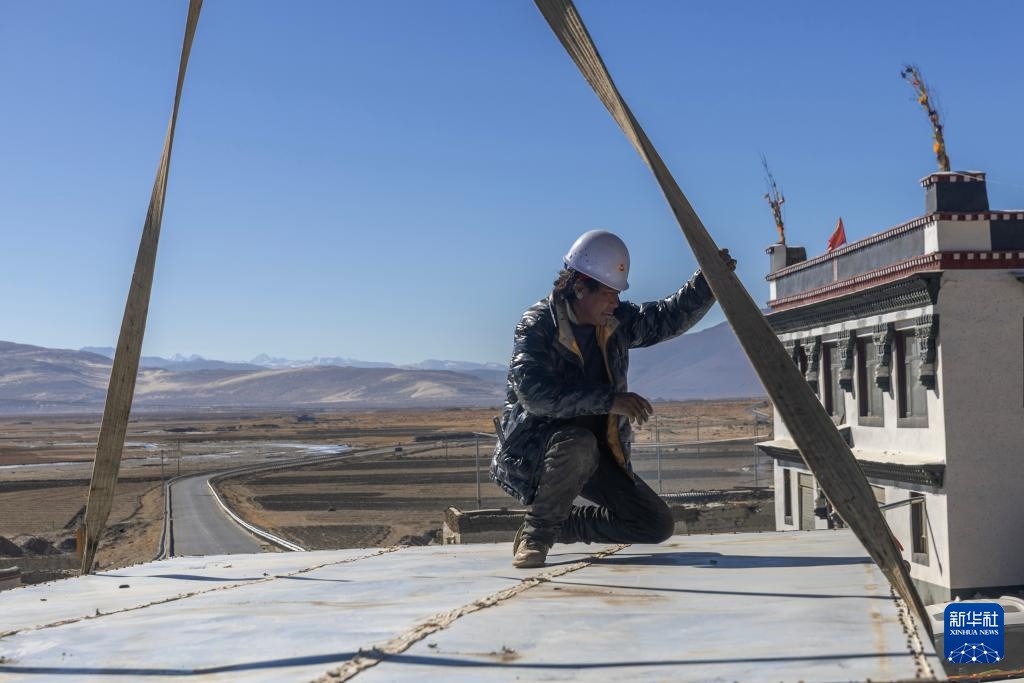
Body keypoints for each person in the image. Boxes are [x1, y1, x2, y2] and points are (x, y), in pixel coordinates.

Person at [490, 229, 735, 568]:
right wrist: (610, 400)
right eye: (608, 294)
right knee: (578, 444)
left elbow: (664, 318)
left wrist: (707, 282)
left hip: (594, 454)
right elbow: (535, 396)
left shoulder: (614, 322)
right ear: (580, 288)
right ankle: (537, 535)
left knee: (654, 523)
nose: (615, 303)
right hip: (536, 455)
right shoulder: (537, 326)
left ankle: (565, 525)